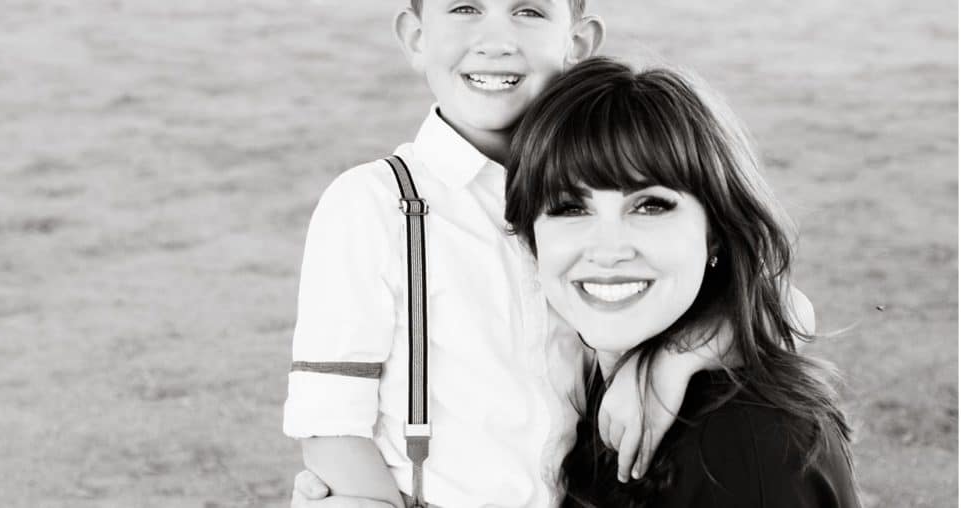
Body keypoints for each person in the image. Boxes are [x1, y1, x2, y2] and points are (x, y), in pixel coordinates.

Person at [283, 1, 812, 506]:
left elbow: (789, 310)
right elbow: (330, 423)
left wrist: (670, 361)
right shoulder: (374, 203)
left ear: (577, 42)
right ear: (416, 38)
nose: (495, 41)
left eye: (529, 11)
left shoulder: (594, 178)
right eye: (465, 8)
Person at [502, 57, 860, 507]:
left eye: (650, 206)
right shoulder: (580, 375)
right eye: (571, 208)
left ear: (715, 232)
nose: (608, 249)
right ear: (532, 239)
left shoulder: (747, 442)